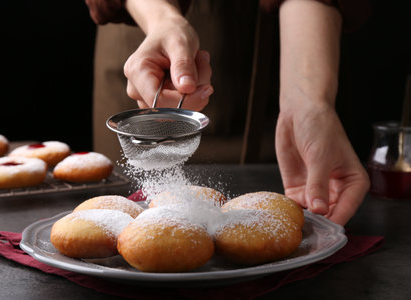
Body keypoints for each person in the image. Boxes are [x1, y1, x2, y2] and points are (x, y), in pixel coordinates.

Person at [84, 0, 370, 226]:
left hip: (287, 49)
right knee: (128, 226)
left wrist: (308, 101)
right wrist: (163, 19)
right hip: (145, 42)